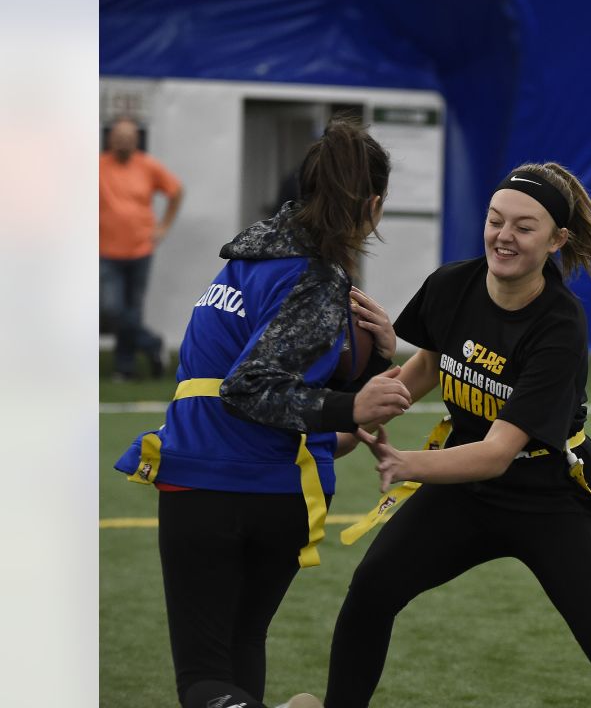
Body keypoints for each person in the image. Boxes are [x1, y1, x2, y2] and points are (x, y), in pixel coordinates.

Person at [323, 162, 591, 707]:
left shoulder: (560, 325)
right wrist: (352, 424)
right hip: (464, 493)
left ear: (556, 240)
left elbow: (499, 453)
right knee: (370, 595)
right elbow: (428, 368)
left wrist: (404, 464)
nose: (504, 236)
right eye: (496, 220)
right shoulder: (452, 284)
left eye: (524, 227)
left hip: (547, 499)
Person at [112, 117, 413, 708]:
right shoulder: (318, 278)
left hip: (209, 486)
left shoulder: (248, 260)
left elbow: (250, 385)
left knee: (203, 676)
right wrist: (358, 392)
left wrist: (365, 378)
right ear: (374, 206)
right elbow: (260, 387)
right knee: (239, 645)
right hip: (268, 493)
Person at [99, 115, 184, 380]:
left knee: (132, 309)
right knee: (110, 309)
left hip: (140, 251)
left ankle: (125, 367)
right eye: (119, 136)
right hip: (107, 253)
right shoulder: (98, 166)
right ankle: (151, 344)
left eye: (129, 136)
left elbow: (176, 191)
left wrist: (163, 227)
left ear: (137, 139)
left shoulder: (147, 166)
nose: (124, 141)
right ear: (110, 138)